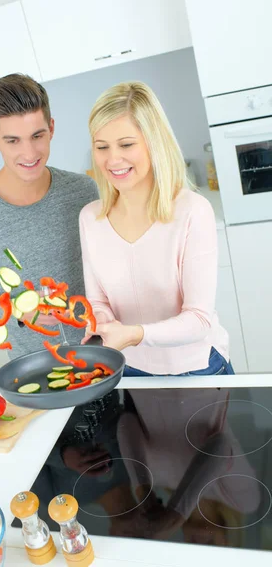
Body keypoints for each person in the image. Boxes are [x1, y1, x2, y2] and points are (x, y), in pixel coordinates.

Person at [79, 81, 233, 376]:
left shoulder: (192, 211)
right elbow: (98, 301)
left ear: (154, 142)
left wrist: (134, 334)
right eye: (101, 147)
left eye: (126, 144)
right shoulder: (90, 218)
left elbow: (199, 320)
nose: (113, 159)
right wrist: (101, 322)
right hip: (129, 368)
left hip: (196, 367)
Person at [0, 73, 98, 358]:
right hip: (33, 365)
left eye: (37, 136)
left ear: (51, 129)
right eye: (13, 140)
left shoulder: (84, 191)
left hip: (102, 350)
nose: (29, 153)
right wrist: (17, 310)